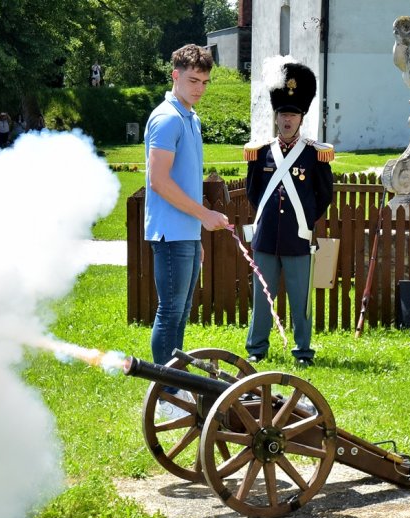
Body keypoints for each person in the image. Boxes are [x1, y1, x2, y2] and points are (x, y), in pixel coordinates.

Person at [143, 44, 229, 416]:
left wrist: (197, 232)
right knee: (170, 311)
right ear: (175, 76)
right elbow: (158, 181)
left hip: (186, 234)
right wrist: (204, 216)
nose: (199, 88)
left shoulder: (189, 117)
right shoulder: (167, 119)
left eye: (205, 82)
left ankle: (174, 389)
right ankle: (165, 396)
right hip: (170, 233)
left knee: (180, 313)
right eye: (193, 80)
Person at [243, 58, 334, 367]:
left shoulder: (314, 155)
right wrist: (269, 218)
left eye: (293, 114)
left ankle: (303, 352)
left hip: (298, 238)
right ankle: (256, 348)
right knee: (262, 299)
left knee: (300, 301)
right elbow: (254, 192)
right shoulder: (260, 153)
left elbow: (324, 195)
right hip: (266, 238)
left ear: (301, 117)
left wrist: (304, 218)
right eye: (283, 113)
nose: (287, 119)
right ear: (276, 115)